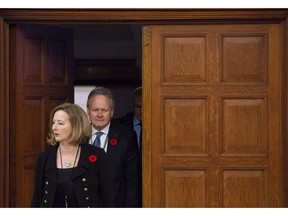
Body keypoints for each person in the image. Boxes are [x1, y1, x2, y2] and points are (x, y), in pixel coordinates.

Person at [31, 103, 115, 208]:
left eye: (60, 123)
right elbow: (37, 198)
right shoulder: (44, 158)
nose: (54, 127)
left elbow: (107, 197)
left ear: (76, 125)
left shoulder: (97, 155)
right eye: (53, 122)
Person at [86, 86, 141, 207]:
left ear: (112, 112)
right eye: (95, 110)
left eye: (104, 110)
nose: (99, 114)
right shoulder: (79, 135)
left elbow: (132, 180)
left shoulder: (126, 136)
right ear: (88, 111)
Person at [113, 86, 142, 153]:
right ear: (133, 106)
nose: (142, 111)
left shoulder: (160, 124)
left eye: (145, 106)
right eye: (138, 107)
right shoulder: (120, 124)